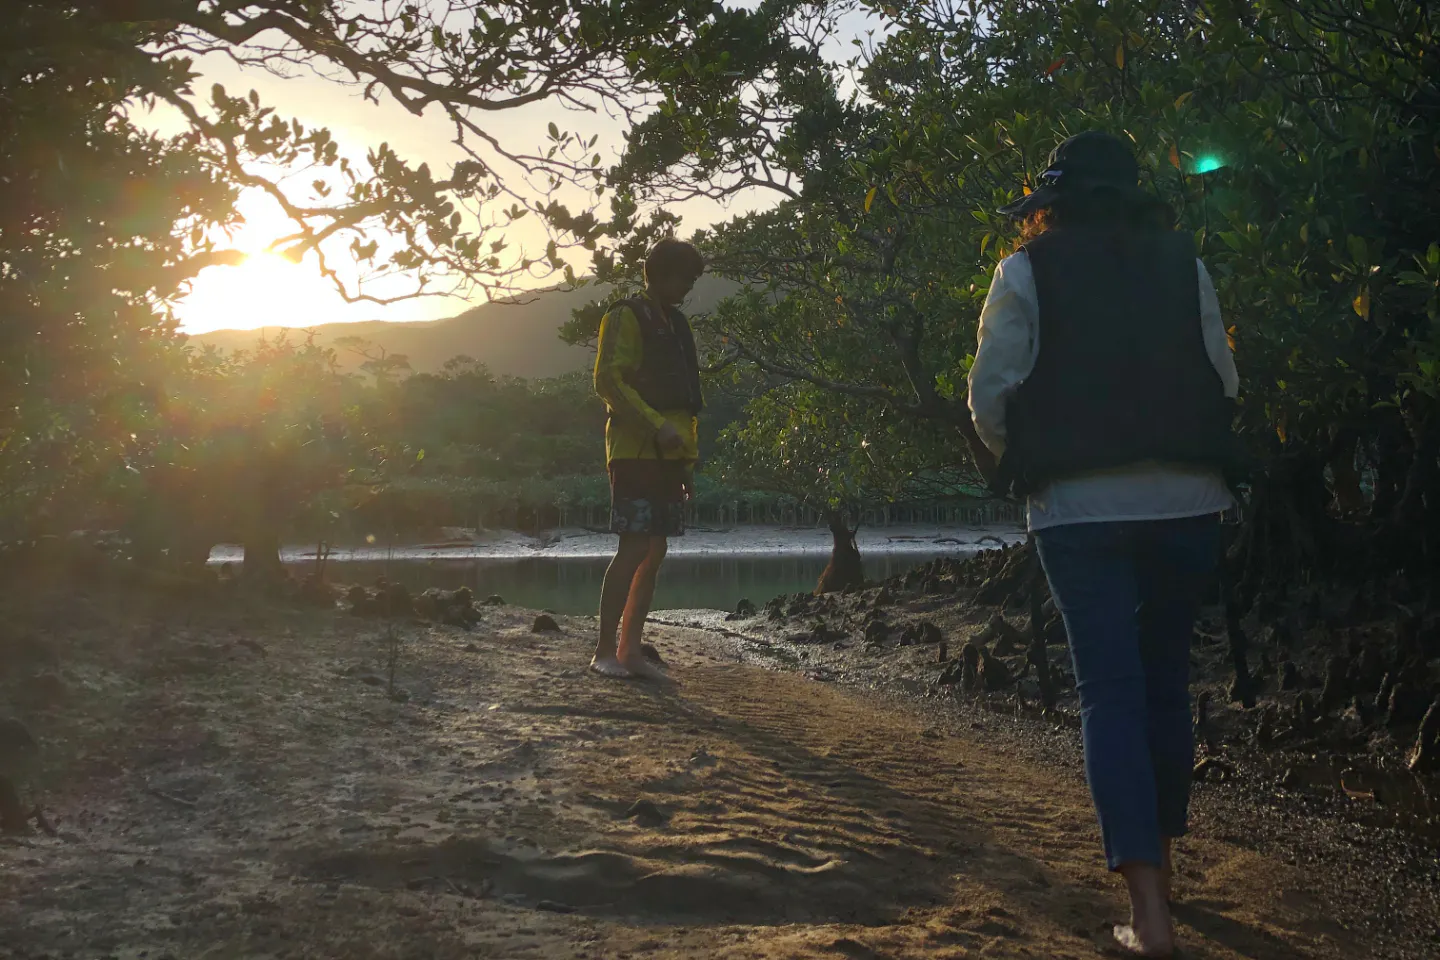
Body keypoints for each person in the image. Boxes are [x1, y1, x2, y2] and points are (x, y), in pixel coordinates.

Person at [967, 131, 1241, 958]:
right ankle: (1165, 866)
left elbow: (991, 396)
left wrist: (1021, 462)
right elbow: (1223, 382)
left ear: (1052, 202)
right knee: (1165, 683)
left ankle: (1148, 914)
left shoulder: (1027, 270)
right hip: (1190, 500)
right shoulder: (1184, 264)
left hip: (1079, 506)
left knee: (1110, 692)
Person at [589, 238, 706, 681]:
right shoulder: (624, 316)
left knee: (655, 551)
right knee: (634, 546)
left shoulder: (676, 324)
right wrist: (656, 426)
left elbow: (685, 408)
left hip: (670, 456)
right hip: (635, 451)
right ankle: (603, 650)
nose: (688, 288)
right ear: (660, 273)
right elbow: (608, 382)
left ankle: (631, 650)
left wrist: (685, 465)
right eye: (684, 278)